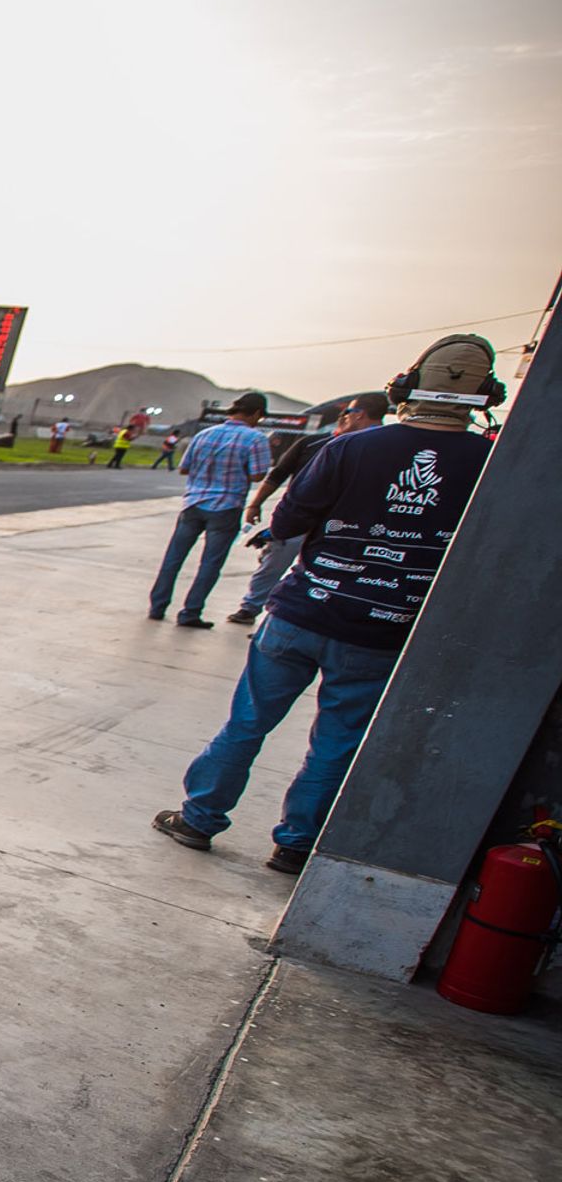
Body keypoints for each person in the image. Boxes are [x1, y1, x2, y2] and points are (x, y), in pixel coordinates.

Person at [154, 336, 501, 875]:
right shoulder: (493, 465)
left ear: (405, 388)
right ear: (489, 393)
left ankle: (200, 819)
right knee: (337, 740)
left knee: (248, 721)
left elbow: (289, 523)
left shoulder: (350, 448)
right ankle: (295, 843)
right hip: (384, 628)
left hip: (301, 614)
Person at [229, 391, 387, 627]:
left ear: (359, 415)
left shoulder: (380, 450)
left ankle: (291, 621)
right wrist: (257, 504)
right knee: (273, 565)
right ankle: (252, 608)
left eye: (348, 412)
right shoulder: (314, 443)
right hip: (301, 521)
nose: (343, 417)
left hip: (340, 528)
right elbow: (277, 475)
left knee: (321, 576)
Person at [145, 392, 271, 627]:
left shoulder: (204, 434)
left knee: (173, 558)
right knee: (210, 563)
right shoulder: (255, 439)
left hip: (193, 504)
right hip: (226, 507)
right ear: (256, 414)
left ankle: (157, 607)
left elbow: (184, 469)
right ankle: (190, 612)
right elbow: (258, 474)